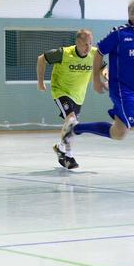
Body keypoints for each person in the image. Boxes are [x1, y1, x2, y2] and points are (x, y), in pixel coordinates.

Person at [61, 0, 134, 189]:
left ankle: (75, 128)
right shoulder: (119, 34)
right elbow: (99, 52)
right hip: (122, 91)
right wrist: (96, 80)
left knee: (118, 133)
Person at [36, 29, 96, 170]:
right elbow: (41, 58)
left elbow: (103, 67)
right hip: (61, 91)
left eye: (90, 44)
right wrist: (40, 82)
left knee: (72, 124)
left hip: (79, 95)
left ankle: (60, 148)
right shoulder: (63, 53)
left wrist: (106, 75)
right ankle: (68, 155)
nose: (88, 48)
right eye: (85, 44)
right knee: (70, 119)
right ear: (77, 42)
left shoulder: (94, 53)